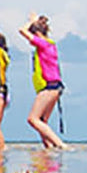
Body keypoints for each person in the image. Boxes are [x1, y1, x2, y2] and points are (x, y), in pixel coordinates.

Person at [21, 14, 69, 150]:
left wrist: (31, 21)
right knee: (42, 121)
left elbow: (22, 31)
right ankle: (49, 148)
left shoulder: (43, 44)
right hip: (56, 87)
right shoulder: (50, 45)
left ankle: (60, 145)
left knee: (32, 119)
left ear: (36, 34)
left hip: (49, 87)